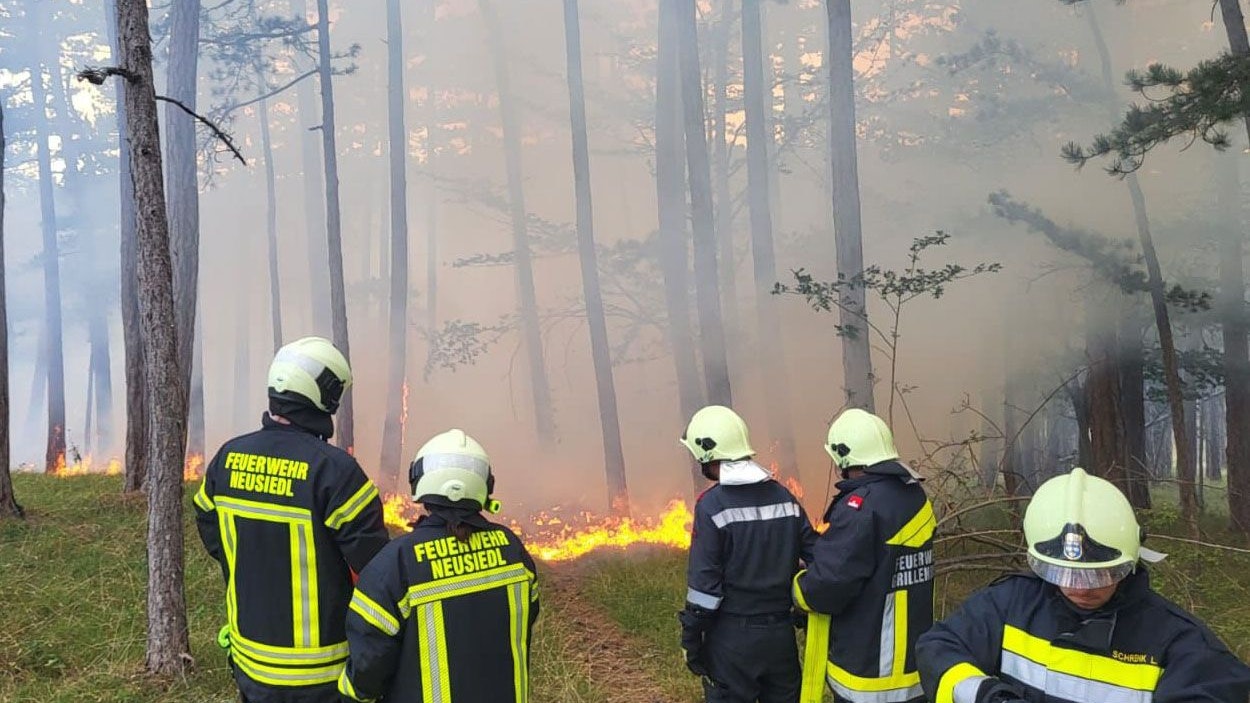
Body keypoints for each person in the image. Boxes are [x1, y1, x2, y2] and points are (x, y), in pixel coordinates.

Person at [916, 467, 1250, 703]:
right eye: (1064, 574)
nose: (1081, 587)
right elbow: (938, 648)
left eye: (1099, 574)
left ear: (1132, 560)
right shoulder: (1011, 603)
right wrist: (990, 697)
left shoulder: (1179, 644)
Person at [194, 336, 389, 703]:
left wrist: (250, 559)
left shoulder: (228, 458)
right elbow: (378, 570)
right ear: (324, 396)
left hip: (249, 663)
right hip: (321, 674)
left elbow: (208, 520)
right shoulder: (335, 471)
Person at [338, 429, 539, 703]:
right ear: (485, 484)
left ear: (420, 483)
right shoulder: (513, 550)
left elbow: (368, 665)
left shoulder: (395, 563)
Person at [792, 408, 934, 703]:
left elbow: (826, 588)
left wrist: (799, 586)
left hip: (869, 674)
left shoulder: (863, 506)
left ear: (845, 457)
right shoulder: (914, 497)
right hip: (915, 671)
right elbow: (878, 558)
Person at [679, 405, 818, 703]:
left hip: (733, 640)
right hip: (781, 638)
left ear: (708, 453)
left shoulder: (712, 505)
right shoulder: (785, 497)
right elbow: (818, 558)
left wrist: (691, 639)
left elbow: (704, 588)